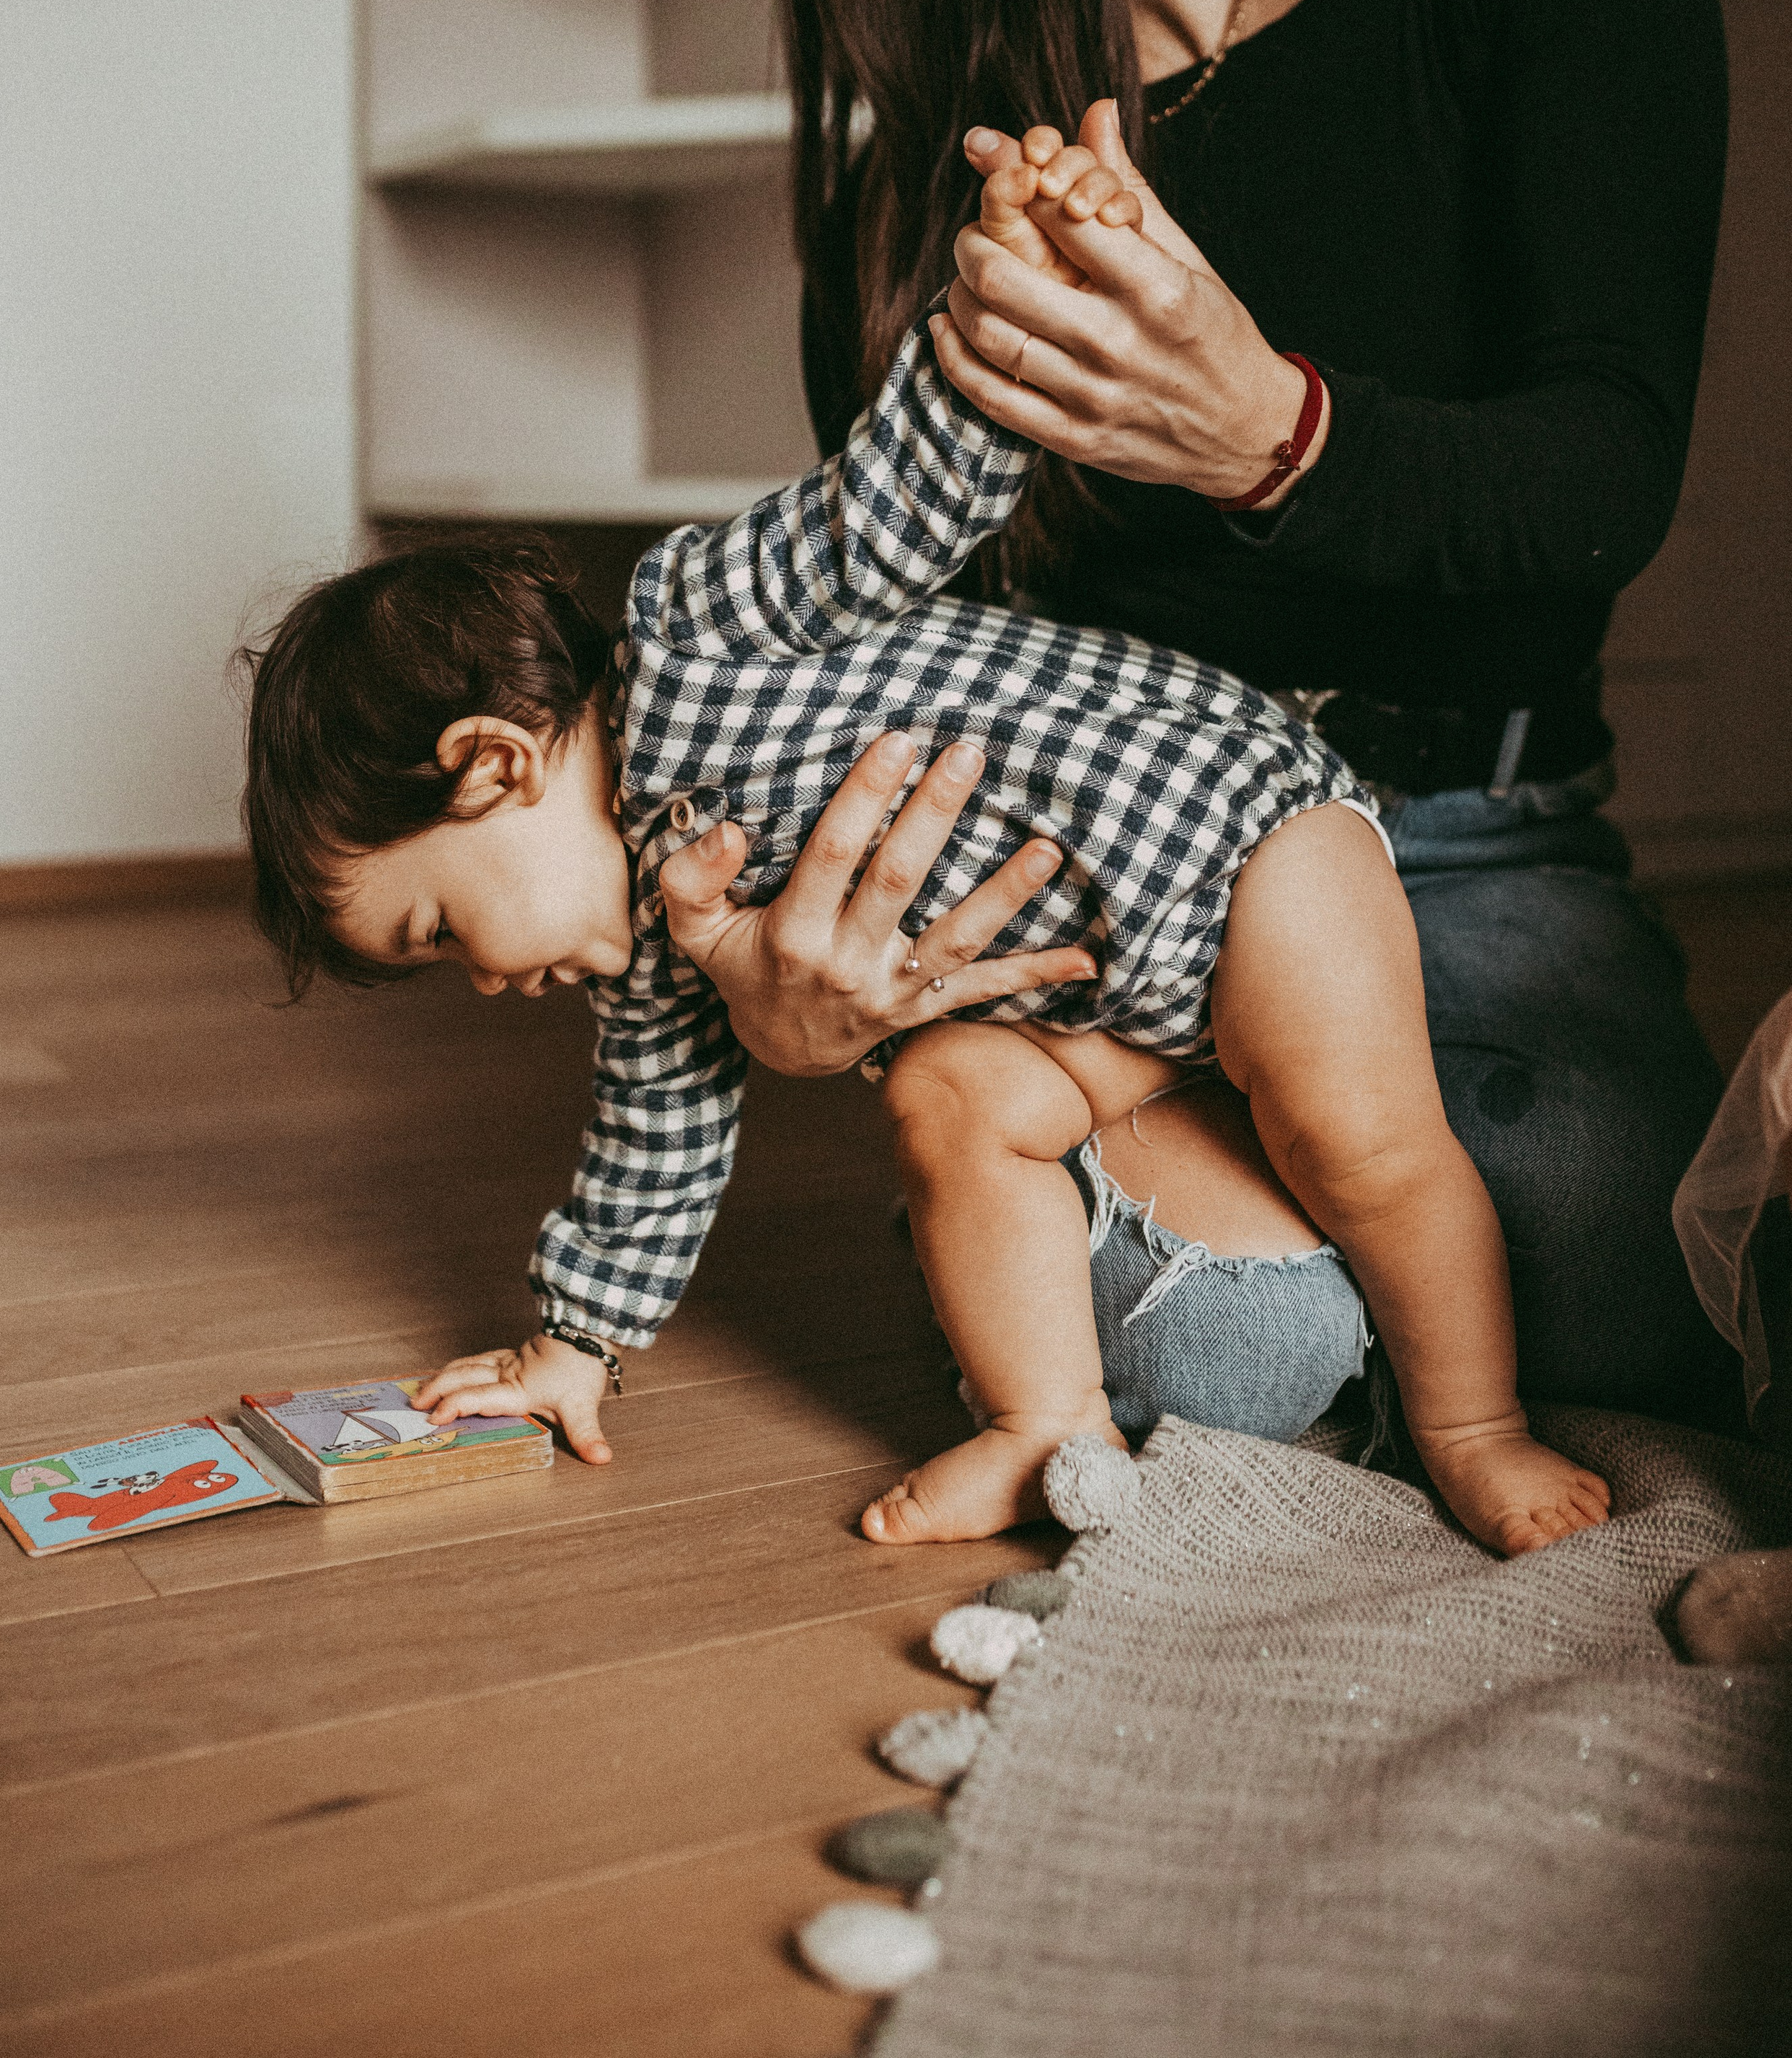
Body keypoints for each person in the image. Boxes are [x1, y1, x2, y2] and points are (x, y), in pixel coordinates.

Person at [659, 0, 1739, 1431]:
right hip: (1104, 887)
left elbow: (1602, 478)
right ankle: (1128, 1197)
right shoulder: (926, 190)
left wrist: (1271, 434)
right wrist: (786, 978)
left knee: (1617, 1279)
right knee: (1245, 1352)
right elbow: (910, 655)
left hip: (1466, 837)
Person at [240, 149, 1609, 1555]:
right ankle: (1042, 1426)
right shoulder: (653, 954)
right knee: (952, 1098)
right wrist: (571, 1347)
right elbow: (651, 1149)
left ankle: (1470, 1426)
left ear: (490, 764)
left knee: (1359, 1141)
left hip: (1244, 845)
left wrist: (1003, 295)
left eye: (437, 933)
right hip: (1101, 999)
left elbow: (890, 501)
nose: (477, 981)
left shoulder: (696, 622)